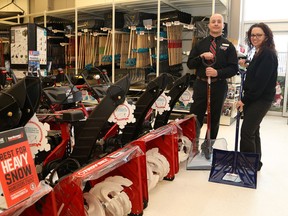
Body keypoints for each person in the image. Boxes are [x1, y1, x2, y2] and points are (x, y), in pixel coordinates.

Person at [187, 13, 238, 156]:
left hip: (219, 85)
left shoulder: (229, 46)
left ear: (223, 25)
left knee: (214, 118)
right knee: (195, 116)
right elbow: (190, 64)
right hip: (201, 85)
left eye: (219, 22)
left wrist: (218, 73)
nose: (216, 24)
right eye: (213, 21)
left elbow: (234, 68)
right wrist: (201, 56)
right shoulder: (200, 44)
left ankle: (208, 146)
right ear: (209, 25)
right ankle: (193, 144)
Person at [237, 22, 278, 171]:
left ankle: (247, 166)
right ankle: (255, 163)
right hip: (256, 98)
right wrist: (247, 64)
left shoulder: (267, 53)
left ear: (266, 36)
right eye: (252, 35)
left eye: (259, 35)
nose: (255, 37)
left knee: (247, 132)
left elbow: (260, 82)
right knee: (254, 131)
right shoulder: (259, 52)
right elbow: (258, 69)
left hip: (259, 99)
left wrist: (243, 100)